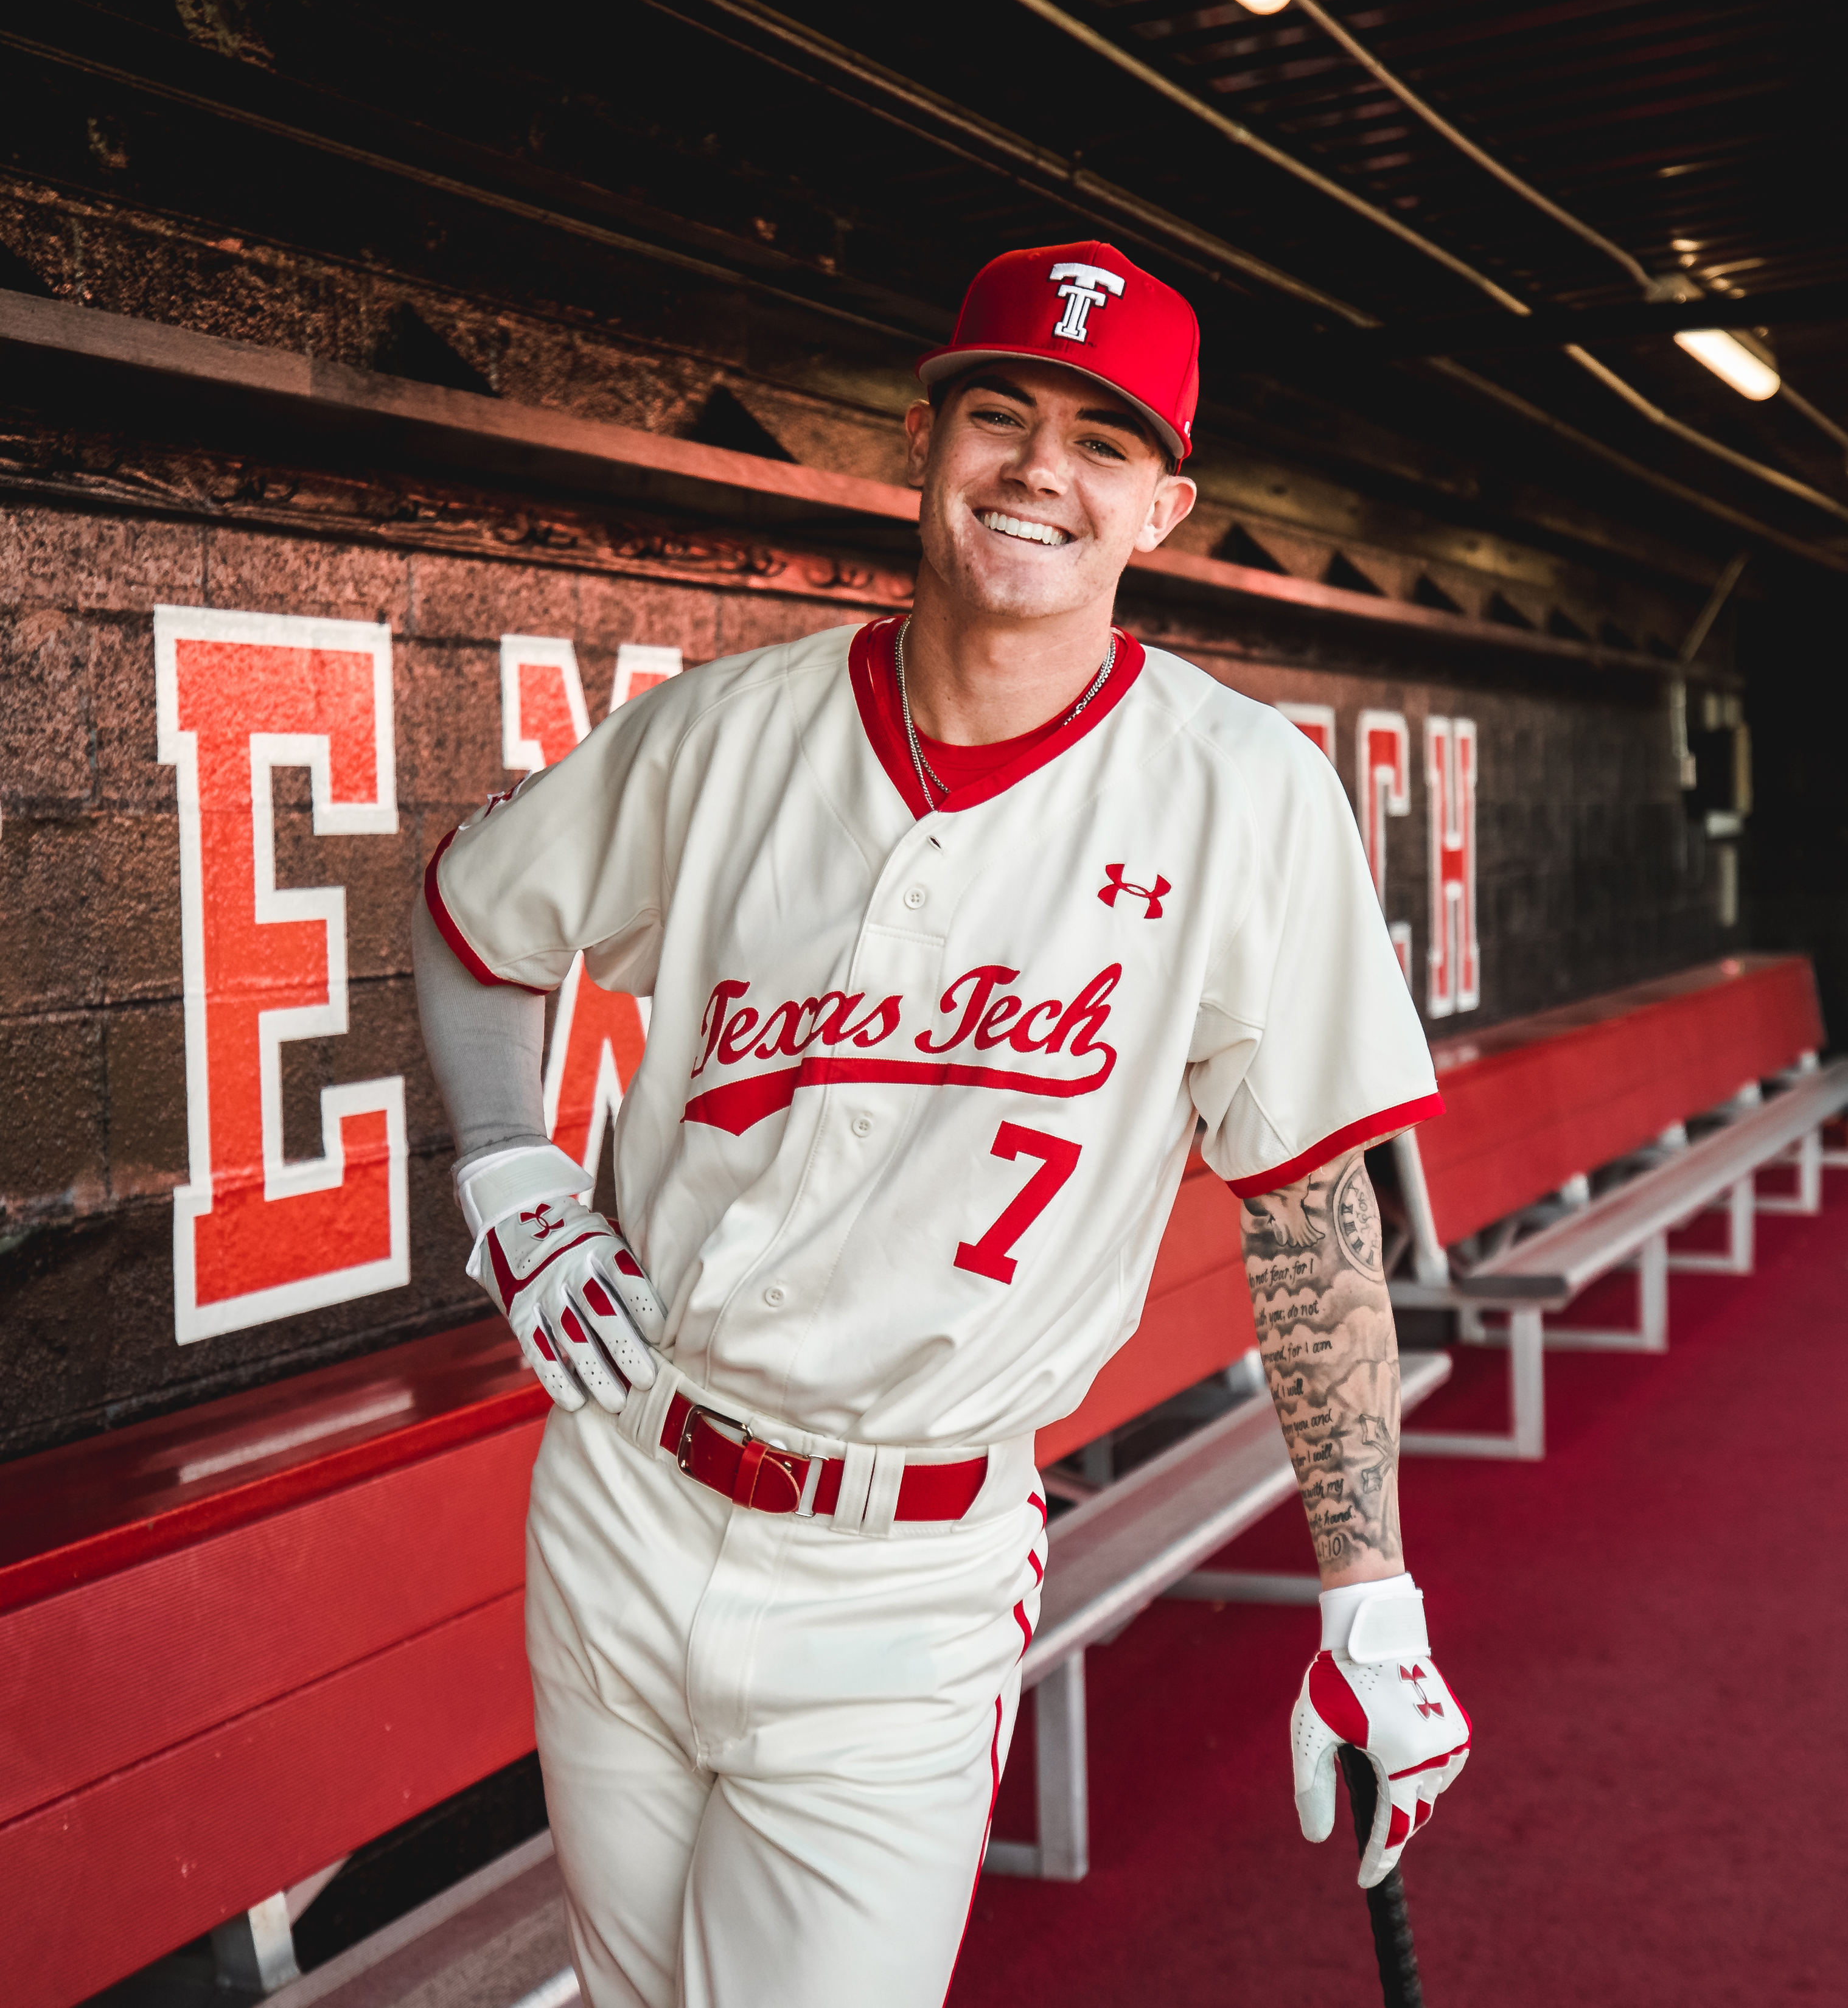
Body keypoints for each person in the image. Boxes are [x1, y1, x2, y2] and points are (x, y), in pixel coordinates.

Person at [414, 239, 1471, 2008]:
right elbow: (468, 922)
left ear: (1163, 508)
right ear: (925, 442)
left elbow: (1307, 1209)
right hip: (625, 1490)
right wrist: (513, 1175)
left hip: (906, 1575)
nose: (1040, 466)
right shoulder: (729, 732)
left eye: (1102, 439)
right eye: (1003, 409)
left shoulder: (1245, 796)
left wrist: (1368, 1587)